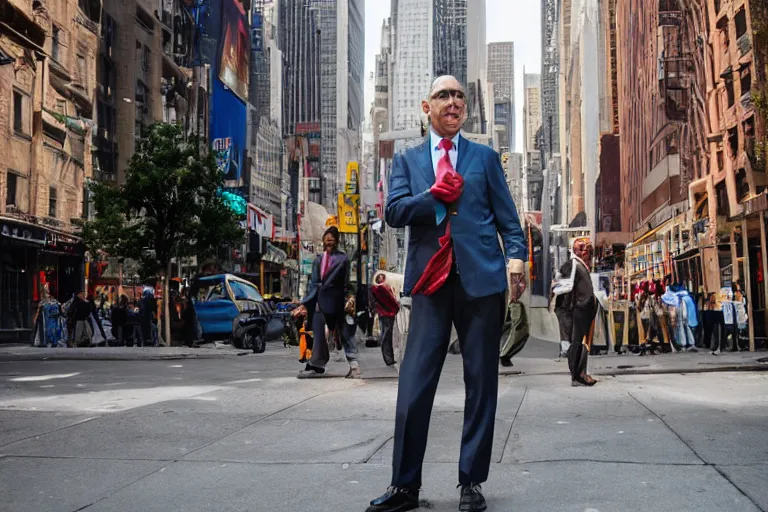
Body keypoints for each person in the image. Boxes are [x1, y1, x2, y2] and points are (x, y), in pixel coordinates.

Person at [366, 76, 527, 512]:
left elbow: (509, 222)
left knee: (481, 385)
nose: (453, 102)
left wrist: (516, 263)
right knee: (414, 384)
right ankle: (405, 487)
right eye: (443, 96)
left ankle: (471, 482)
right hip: (431, 285)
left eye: (458, 96)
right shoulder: (408, 160)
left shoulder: (486, 159)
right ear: (426, 107)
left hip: (481, 283)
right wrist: (435, 199)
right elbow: (395, 211)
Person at [292, 226, 360, 379]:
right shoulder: (326, 259)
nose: (329, 243)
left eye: (331, 240)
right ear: (323, 241)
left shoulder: (335, 259)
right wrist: (305, 303)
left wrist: (350, 297)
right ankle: (320, 364)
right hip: (326, 302)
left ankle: (349, 365)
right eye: (327, 240)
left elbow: (342, 282)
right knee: (324, 333)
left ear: (336, 241)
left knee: (341, 333)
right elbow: (317, 283)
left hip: (332, 302)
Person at [553, 237, 598, 387]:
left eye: (588, 247)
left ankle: (580, 373)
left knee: (581, 342)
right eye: (582, 247)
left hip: (582, 310)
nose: (586, 251)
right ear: (575, 250)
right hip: (578, 310)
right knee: (577, 342)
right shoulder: (573, 264)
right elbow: (560, 286)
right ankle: (578, 375)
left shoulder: (581, 265)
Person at [371, 272, 400, 366]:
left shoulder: (378, 288)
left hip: (385, 313)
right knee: (387, 336)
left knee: (387, 335)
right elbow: (390, 300)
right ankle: (388, 358)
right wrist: (396, 307)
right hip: (387, 313)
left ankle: (389, 358)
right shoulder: (381, 288)